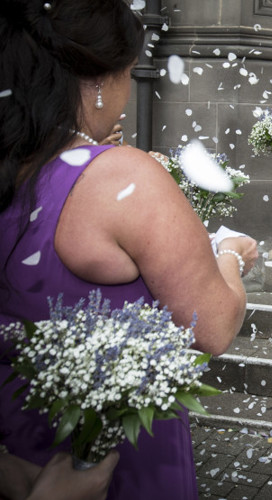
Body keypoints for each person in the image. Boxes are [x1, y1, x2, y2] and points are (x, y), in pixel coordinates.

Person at [0, 1, 258, 499]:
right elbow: (214, 326)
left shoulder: (14, 171)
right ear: (100, 81)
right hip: (108, 459)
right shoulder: (122, 176)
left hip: (19, 454)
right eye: (129, 73)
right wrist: (228, 253)